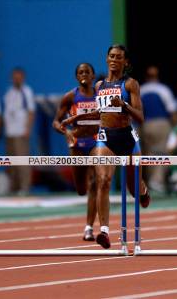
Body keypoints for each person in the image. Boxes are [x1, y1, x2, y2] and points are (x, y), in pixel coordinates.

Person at [62, 45, 150, 249]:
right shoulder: (100, 85)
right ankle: (104, 231)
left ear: (125, 62)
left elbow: (140, 117)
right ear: (106, 59)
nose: (114, 60)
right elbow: (100, 114)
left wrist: (124, 105)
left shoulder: (130, 85)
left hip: (127, 138)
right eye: (111, 56)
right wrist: (76, 117)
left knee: (134, 191)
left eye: (119, 57)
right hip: (106, 138)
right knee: (103, 179)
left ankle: (143, 190)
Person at [52, 63, 99, 241]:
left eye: (87, 71)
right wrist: (67, 132)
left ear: (93, 75)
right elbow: (56, 122)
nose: (84, 74)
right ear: (76, 76)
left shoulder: (99, 95)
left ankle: (89, 227)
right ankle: (88, 216)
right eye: (80, 72)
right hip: (78, 145)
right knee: (81, 189)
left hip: (97, 142)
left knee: (95, 182)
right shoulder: (70, 96)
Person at [140, 65, 177, 192]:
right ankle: (157, 181)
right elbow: (172, 110)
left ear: (146, 77)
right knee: (162, 152)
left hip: (145, 125)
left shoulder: (141, 90)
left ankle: (151, 181)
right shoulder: (163, 89)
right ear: (157, 76)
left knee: (149, 154)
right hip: (161, 123)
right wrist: (176, 126)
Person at [3, 67, 35, 195]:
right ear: (12, 78)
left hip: (21, 131)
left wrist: (27, 129)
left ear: (23, 78)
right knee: (11, 162)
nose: (16, 79)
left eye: (19, 77)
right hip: (9, 131)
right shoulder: (9, 93)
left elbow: (31, 112)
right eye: (14, 77)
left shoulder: (26, 92)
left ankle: (24, 187)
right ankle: (14, 187)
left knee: (22, 160)